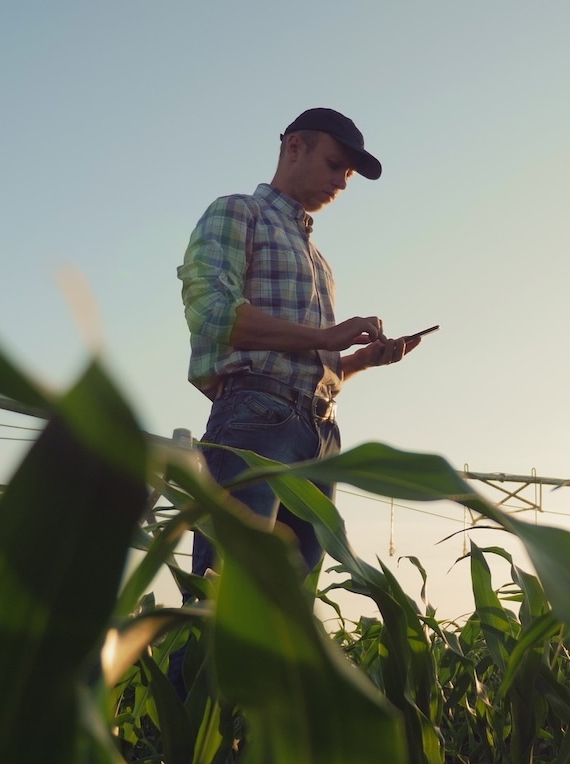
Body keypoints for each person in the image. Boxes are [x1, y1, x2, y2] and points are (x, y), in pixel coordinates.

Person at [177, 107, 420, 581]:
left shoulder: (319, 260)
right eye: (335, 166)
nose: (343, 183)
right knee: (224, 599)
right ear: (294, 148)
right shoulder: (237, 212)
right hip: (256, 421)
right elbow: (210, 313)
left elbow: (304, 362)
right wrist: (325, 337)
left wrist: (359, 361)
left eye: (348, 174)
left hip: (320, 432)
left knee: (288, 619)